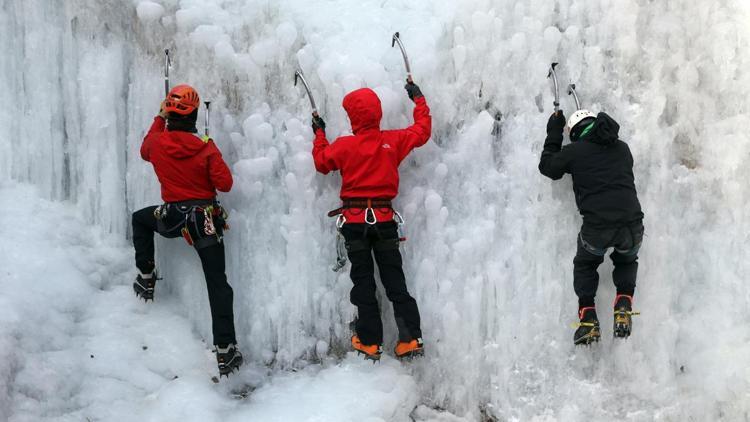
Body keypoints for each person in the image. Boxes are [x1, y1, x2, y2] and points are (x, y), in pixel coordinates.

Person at [311, 81, 431, 360]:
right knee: (394, 279)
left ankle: (369, 341)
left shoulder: (345, 146)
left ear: (353, 117)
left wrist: (319, 132)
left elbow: (321, 161)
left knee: (363, 282)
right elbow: (422, 130)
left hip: (355, 223)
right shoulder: (393, 140)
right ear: (377, 113)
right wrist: (419, 99)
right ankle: (410, 337)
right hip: (385, 220)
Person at [132, 84, 242, 375]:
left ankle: (146, 275)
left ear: (169, 114)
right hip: (202, 222)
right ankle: (225, 349)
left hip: (171, 218)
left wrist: (158, 117)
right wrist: (210, 147)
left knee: (140, 219)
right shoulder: (205, 146)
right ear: (194, 117)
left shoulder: (156, 143)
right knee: (217, 283)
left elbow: (145, 150)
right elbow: (225, 184)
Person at [539, 109, 645, 345]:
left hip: (598, 228)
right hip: (633, 227)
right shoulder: (623, 148)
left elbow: (548, 167)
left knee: (586, 265)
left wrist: (555, 131)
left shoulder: (575, 152)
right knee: (627, 260)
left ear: (576, 133)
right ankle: (623, 303)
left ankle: (588, 318)